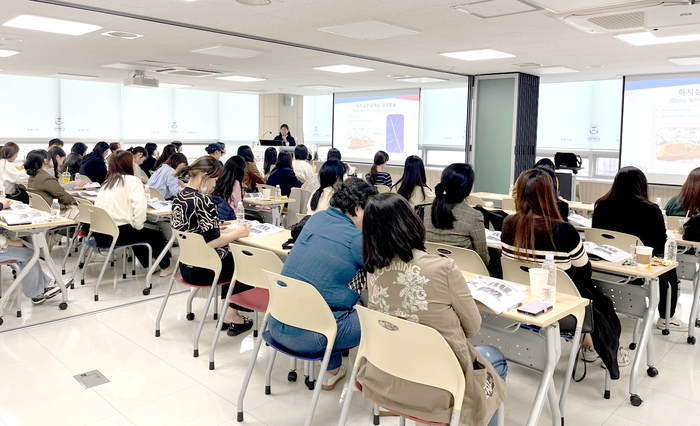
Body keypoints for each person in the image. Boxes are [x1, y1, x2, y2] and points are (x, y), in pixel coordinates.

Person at [359, 193, 507, 426]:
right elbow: (473, 328)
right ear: (411, 222)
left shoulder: (373, 270)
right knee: (495, 359)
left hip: (391, 375)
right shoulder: (443, 268)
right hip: (442, 386)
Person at [502, 168, 625, 377]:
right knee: (601, 301)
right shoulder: (563, 230)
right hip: (561, 307)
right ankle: (599, 348)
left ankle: (586, 343)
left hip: (520, 300)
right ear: (551, 195)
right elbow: (585, 272)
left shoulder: (508, 224)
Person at [268, 178, 377, 391]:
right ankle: (379, 385)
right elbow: (377, 272)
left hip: (276, 322)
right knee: (377, 320)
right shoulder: (356, 238)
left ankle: (332, 371)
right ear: (357, 208)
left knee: (332, 297)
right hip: (313, 336)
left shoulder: (315, 219)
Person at [171, 156, 255, 336]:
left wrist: (225, 233)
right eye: (215, 180)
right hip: (206, 270)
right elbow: (213, 242)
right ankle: (231, 313)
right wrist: (238, 233)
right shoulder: (204, 201)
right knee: (242, 261)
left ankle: (229, 312)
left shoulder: (179, 198)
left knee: (230, 258)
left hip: (187, 266)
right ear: (205, 176)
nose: (215, 185)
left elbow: (199, 234)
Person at [593, 166, 684, 331]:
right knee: (668, 266)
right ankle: (666, 317)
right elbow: (659, 245)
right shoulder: (650, 209)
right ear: (642, 185)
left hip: (605, 269)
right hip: (636, 270)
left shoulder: (601, 205)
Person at [95, 151, 174, 277]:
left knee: (137, 230)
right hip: (117, 234)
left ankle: (150, 264)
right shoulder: (132, 181)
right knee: (153, 233)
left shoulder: (107, 182)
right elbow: (139, 208)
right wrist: (138, 227)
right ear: (127, 164)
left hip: (101, 233)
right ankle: (166, 266)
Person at [424, 163, 489, 265]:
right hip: (463, 275)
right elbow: (483, 259)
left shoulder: (426, 212)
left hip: (431, 272)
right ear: (468, 188)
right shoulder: (474, 216)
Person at [25, 149, 79, 220]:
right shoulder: (47, 179)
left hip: (43, 212)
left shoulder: (32, 177)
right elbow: (66, 199)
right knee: (87, 214)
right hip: (56, 212)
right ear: (46, 161)